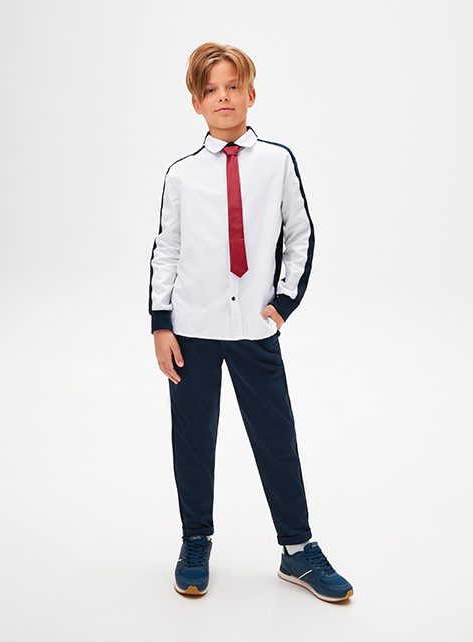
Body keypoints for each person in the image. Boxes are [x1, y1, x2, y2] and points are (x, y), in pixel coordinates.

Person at [148, 42, 353, 602]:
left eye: (233, 87)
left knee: (276, 437)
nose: (223, 97)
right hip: (191, 328)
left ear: (251, 95)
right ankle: (195, 540)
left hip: (253, 330)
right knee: (194, 439)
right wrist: (161, 324)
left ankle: (298, 550)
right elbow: (167, 249)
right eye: (211, 90)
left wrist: (283, 302)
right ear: (196, 103)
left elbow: (300, 234)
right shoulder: (182, 174)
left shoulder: (276, 162)